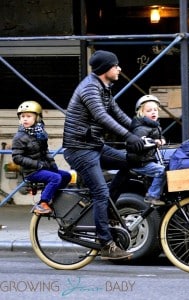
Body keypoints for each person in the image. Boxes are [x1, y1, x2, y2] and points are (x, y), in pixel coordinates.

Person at [62, 50, 145, 260]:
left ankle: (108, 210)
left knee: (130, 162)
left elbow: (117, 113)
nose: (119, 69)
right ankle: (106, 243)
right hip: (79, 149)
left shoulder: (104, 88)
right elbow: (101, 116)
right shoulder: (89, 88)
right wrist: (129, 136)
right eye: (116, 65)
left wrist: (143, 129)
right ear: (106, 69)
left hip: (94, 146)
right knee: (100, 191)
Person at [12, 101, 71, 214]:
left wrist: (53, 165)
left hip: (44, 168)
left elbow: (45, 152)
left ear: (37, 118)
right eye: (22, 116)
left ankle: (53, 198)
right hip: (32, 171)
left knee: (66, 176)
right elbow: (17, 158)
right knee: (55, 178)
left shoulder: (40, 133)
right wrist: (37, 164)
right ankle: (42, 203)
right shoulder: (19, 137)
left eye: (29, 116)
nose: (25, 119)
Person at [127, 95, 166, 206]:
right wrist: (154, 142)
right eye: (149, 111)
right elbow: (136, 144)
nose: (153, 112)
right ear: (141, 113)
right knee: (162, 171)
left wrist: (161, 139)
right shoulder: (140, 128)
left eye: (155, 110)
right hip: (139, 162)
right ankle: (152, 196)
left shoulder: (153, 126)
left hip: (147, 160)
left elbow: (159, 136)